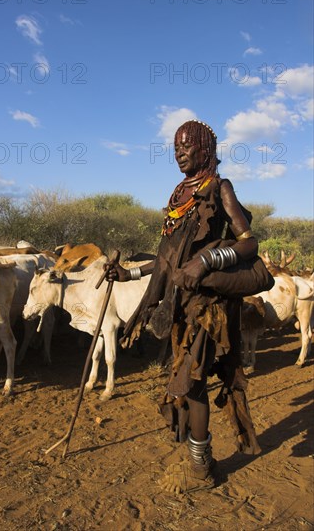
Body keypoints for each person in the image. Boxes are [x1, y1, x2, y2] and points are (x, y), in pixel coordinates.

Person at [105, 119, 261, 494]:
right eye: (176, 147)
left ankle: (201, 468)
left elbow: (248, 244)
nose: (179, 153)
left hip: (208, 309)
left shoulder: (219, 187)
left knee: (190, 383)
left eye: (187, 146)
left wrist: (207, 261)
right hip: (180, 307)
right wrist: (128, 275)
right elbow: (167, 259)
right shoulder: (178, 194)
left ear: (205, 149)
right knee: (186, 383)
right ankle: (200, 459)